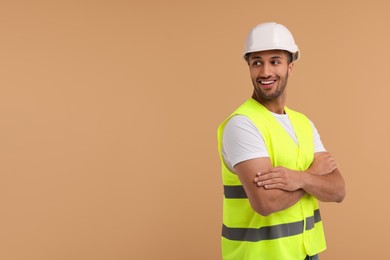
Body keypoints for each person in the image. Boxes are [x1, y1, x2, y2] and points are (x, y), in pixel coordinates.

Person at [217, 22, 346, 260]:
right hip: (259, 256)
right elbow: (265, 202)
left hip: (306, 253)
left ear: (290, 67)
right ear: (249, 66)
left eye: (275, 61)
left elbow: (338, 190)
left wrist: (299, 177)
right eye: (257, 62)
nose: (265, 72)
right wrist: (315, 175)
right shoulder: (242, 124)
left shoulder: (303, 123)